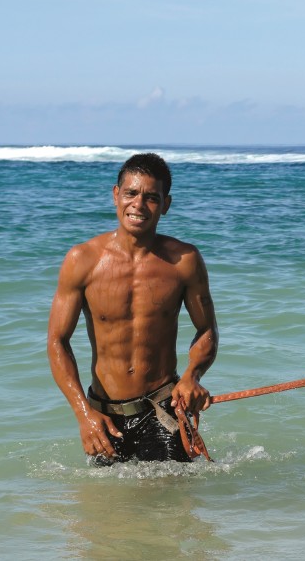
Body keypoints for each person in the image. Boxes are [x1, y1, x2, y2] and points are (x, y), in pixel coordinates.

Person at [47, 153, 218, 464]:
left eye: (152, 197)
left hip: (164, 410)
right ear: (116, 195)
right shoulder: (82, 260)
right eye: (131, 193)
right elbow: (58, 341)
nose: (139, 205)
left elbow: (207, 329)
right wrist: (84, 414)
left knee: (172, 508)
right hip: (105, 418)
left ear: (166, 205)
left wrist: (192, 376)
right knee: (106, 509)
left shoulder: (185, 261)